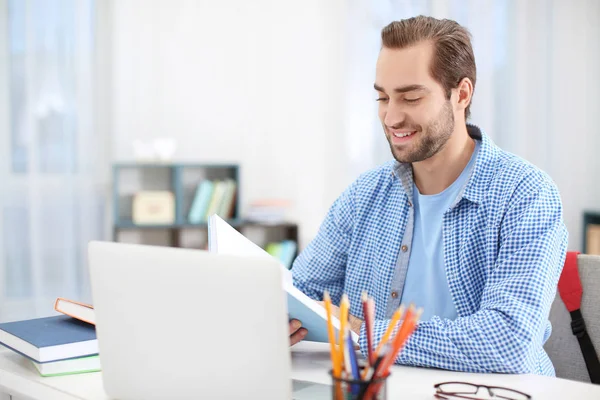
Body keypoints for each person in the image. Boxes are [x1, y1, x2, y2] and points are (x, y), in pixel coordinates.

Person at [288, 15, 568, 376]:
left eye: (411, 97)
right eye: (382, 97)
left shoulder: (526, 195)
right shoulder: (364, 195)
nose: (391, 117)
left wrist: (365, 334)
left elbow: (507, 343)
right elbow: (303, 293)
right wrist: (284, 317)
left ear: (461, 94)